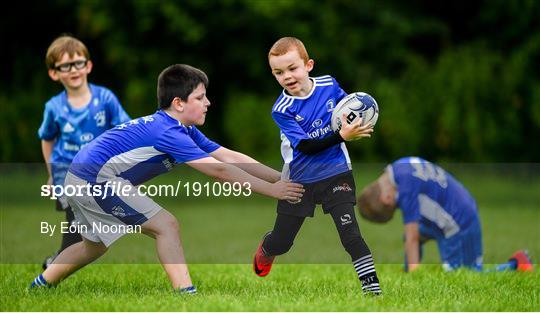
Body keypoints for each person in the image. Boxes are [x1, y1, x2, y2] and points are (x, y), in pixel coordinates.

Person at [30, 64, 305, 294]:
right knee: (166, 225)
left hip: (81, 176)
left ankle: (38, 287)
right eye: (200, 97)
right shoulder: (169, 132)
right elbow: (220, 171)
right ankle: (187, 295)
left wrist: (284, 177)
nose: (208, 103)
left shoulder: (181, 128)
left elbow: (229, 157)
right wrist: (274, 191)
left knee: (94, 246)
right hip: (93, 179)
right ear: (178, 103)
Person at [252, 37, 382, 295]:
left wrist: (357, 125)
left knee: (350, 234)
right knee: (283, 242)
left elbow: (349, 113)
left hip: (336, 172)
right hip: (299, 180)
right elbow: (307, 148)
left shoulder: (329, 84)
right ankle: (267, 248)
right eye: (279, 72)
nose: (287, 76)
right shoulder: (282, 109)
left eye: (292, 68)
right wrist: (342, 136)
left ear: (308, 65)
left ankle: (373, 292)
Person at [38, 35, 131, 269]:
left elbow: (124, 130)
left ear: (88, 66)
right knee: (77, 225)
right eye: (65, 66)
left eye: (78, 63)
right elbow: (47, 139)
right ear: (54, 73)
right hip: (65, 174)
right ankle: (55, 268)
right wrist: (51, 173)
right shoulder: (54, 107)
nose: (73, 70)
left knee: (86, 229)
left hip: (98, 173)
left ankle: (56, 263)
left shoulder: (105, 99)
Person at [357, 156, 534, 272]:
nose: (399, 206)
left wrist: (414, 278)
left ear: (387, 198)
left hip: (458, 223)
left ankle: (517, 265)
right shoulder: (398, 167)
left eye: (395, 207)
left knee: (464, 276)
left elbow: (411, 236)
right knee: (416, 235)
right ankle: (407, 271)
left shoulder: (405, 189)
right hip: (442, 218)